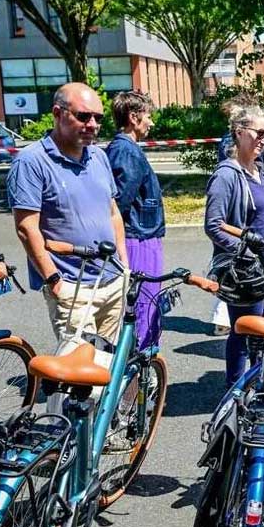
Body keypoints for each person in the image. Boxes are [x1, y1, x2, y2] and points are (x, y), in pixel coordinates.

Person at [7, 83, 128, 367]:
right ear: (58, 113)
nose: (93, 124)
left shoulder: (98, 156)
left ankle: (103, 413)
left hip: (111, 280)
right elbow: (27, 228)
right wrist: (54, 281)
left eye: (98, 118)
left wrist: (124, 264)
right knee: (74, 375)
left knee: (104, 366)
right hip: (71, 287)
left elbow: (113, 212)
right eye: (84, 116)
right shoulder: (31, 162)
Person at [204, 104, 264, 386]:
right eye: (259, 133)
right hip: (247, 272)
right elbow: (214, 226)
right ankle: (235, 394)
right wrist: (247, 253)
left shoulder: (260, 170)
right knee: (244, 334)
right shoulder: (226, 175)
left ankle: (259, 391)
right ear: (239, 133)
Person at [105, 90, 167, 351]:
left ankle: (140, 368)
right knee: (143, 305)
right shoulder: (126, 151)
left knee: (144, 304)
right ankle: (138, 372)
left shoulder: (124, 148)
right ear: (133, 117)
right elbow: (118, 204)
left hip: (139, 235)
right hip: (137, 238)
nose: (151, 123)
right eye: (148, 116)